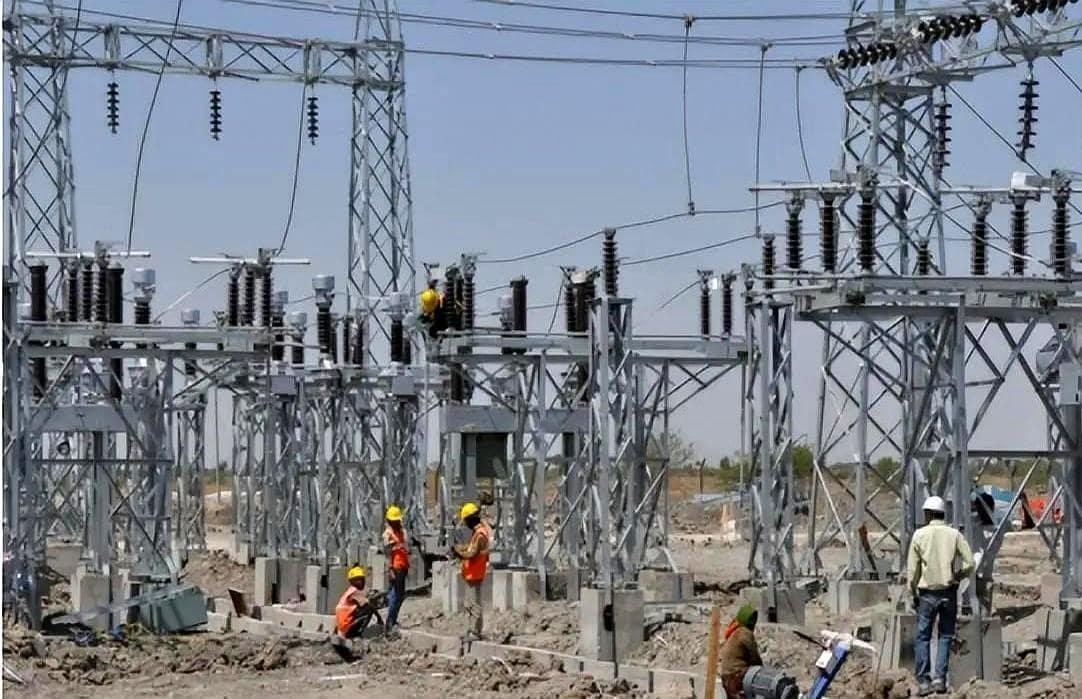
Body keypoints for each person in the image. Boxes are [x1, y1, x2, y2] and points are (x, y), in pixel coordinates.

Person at [906, 495, 975, 696]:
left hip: (927, 593)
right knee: (945, 636)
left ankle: (924, 681)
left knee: (923, 637)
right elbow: (970, 563)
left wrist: (912, 592)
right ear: (943, 513)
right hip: (948, 591)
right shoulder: (954, 534)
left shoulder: (919, 535)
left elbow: (912, 570)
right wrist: (957, 576)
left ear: (928, 514)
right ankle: (939, 679)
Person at [452, 501, 492, 640]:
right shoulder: (477, 533)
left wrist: (458, 553)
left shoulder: (480, 534)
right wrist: (459, 548)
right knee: (470, 603)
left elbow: (472, 553)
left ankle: (475, 632)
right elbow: (469, 548)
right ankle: (472, 630)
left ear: (470, 519)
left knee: (474, 604)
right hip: (471, 573)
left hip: (475, 573)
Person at [718, 603, 763, 699]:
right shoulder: (745, 633)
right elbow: (754, 657)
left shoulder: (734, 631)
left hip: (726, 677)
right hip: (737, 676)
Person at [382, 504, 410, 631]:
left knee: (400, 594)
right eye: (394, 521)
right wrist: (390, 569)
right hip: (395, 567)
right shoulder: (388, 534)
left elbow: (406, 547)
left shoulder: (402, 532)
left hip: (403, 566)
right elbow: (387, 554)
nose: (397, 523)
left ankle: (392, 620)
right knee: (396, 594)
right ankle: (390, 622)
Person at [335, 566, 376, 640]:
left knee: (362, 609)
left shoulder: (350, 590)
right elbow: (368, 605)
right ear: (352, 581)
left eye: (361, 579)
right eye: (358, 580)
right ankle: (357, 634)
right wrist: (379, 619)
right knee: (369, 609)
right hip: (346, 626)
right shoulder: (354, 592)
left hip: (342, 626)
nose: (361, 582)